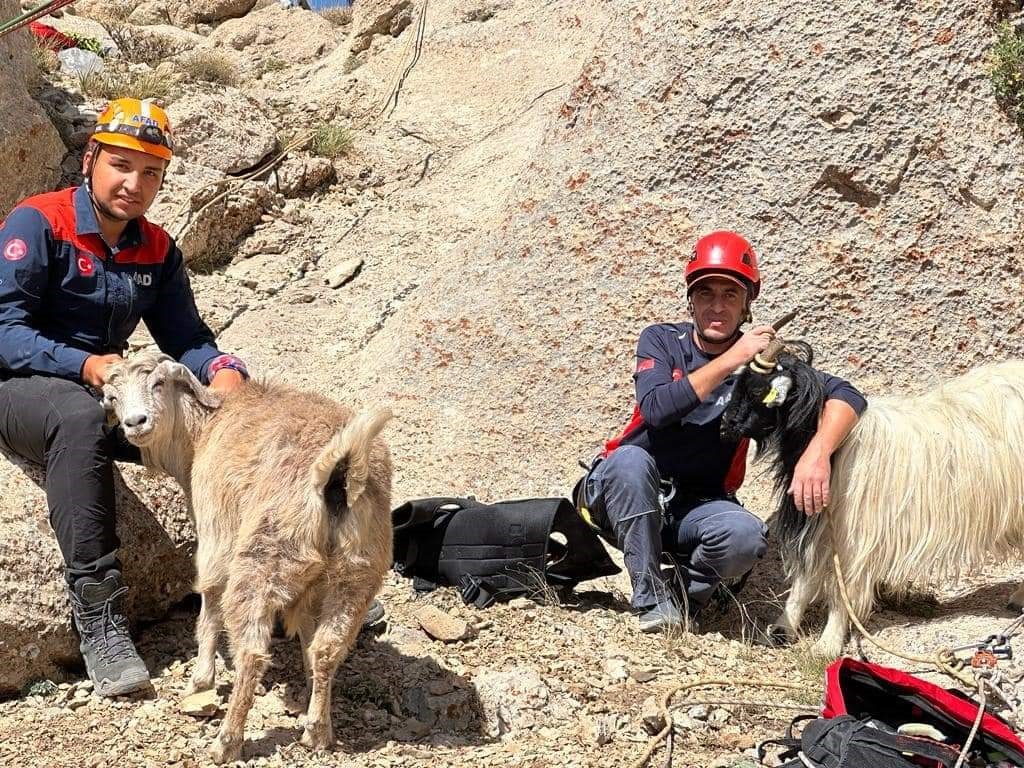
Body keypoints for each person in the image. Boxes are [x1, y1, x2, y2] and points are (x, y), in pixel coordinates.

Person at [0, 98, 250, 696]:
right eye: (121, 165)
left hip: (110, 385)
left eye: (151, 173)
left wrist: (224, 372)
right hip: (19, 385)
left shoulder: (157, 249)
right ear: (91, 159)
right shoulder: (38, 222)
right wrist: (84, 364)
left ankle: (277, 575)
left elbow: (187, 338)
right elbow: (5, 330)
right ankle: (99, 614)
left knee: (219, 419)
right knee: (78, 419)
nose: (134, 184)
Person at [577, 230, 867, 633]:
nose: (717, 306)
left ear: (747, 302)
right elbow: (657, 408)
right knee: (630, 462)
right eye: (706, 293)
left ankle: (682, 597)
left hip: (694, 507)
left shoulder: (767, 368)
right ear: (691, 300)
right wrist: (734, 358)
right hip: (619, 496)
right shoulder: (662, 340)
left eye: (730, 294)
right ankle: (651, 598)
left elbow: (847, 395)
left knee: (746, 536)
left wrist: (817, 454)